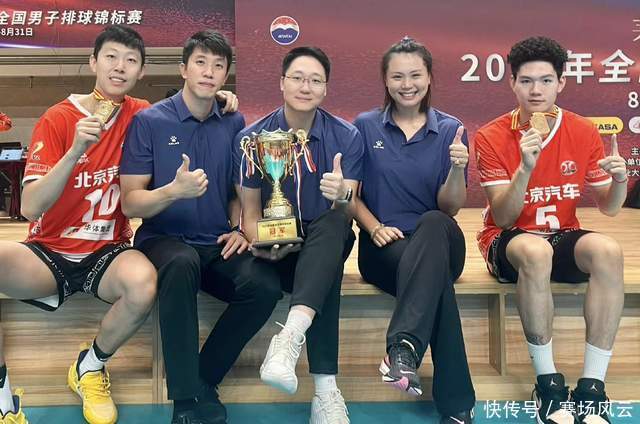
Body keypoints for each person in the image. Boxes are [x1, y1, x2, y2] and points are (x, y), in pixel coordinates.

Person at [0, 25, 157, 424]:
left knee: (143, 284)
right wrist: (74, 152)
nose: (120, 67)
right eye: (111, 57)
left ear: (141, 71)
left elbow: (186, 112)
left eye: (131, 60)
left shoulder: (142, 114)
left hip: (108, 252)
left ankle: (89, 366)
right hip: (49, 252)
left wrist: (220, 99)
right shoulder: (59, 118)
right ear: (93, 62)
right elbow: (30, 207)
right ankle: (1, 394)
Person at [120, 30, 279, 424]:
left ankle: (204, 379)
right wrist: (173, 191)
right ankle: (185, 402)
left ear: (225, 76)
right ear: (184, 69)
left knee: (264, 287)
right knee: (181, 263)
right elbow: (130, 202)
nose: (209, 72)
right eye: (201, 63)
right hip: (162, 240)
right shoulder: (149, 122)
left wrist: (240, 228)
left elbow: (238, 189)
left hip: (214, 241)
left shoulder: (234, 121)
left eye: (218, 66)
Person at [475, 36, 627, 424]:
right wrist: (525, 167)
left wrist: (621, 181)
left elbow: (609, 208)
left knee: (608, 251)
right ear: (512, 83)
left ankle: (592, 387)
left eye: (545, 80)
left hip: (561, 234)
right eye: (526, 81)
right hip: (507, 241)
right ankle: (548, 384)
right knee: (535, 251)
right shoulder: (491, 135)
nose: (536, 90)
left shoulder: (582, 130)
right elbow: (503, 217)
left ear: (561, 82)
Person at [234, 46, 363, 424]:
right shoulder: (251, 138)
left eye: (315, 80)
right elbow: (250, 214)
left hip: (324, 240)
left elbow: (348, 210)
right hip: (275, 250)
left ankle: (288, 339)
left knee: (334, 223)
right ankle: (325, 391)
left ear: (325, 89)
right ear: (281, 83)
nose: (306, 87)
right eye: (298, 78)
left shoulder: (347, 136)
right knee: (326, 273)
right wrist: (262, 242)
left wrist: (342, 195)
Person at [352, 37, 476, 424]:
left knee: (434, 221)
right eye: (397, 76)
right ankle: (457, 408)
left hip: (439, 241)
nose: (407, 85)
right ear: (385, 80)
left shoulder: (451, 130)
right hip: (383, 247)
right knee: (436, 287)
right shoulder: (365, 125)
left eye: (415, 75)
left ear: (429, 77)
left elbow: (450, 208)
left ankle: (403, 346)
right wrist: (373, 227)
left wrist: (457, 168)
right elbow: (349, 195)